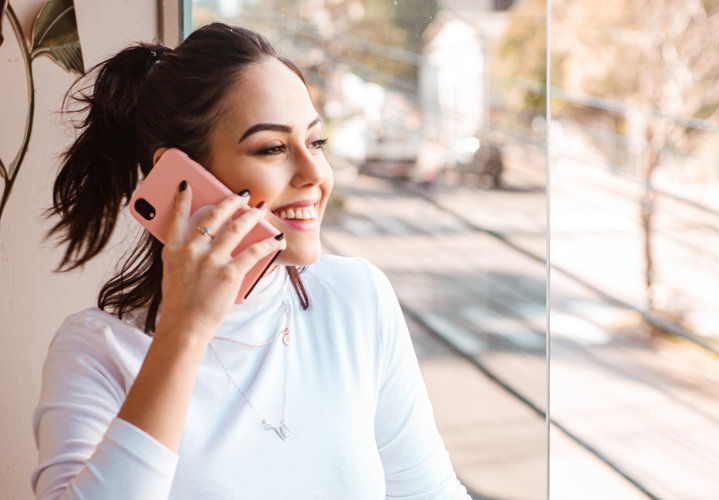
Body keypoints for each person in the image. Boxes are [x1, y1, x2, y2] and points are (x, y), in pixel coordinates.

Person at [32, 22, 471, 500]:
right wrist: (185, 330)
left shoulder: (357, 298)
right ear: (181, 176)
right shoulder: (97, 351)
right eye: (273, 148)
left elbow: (428, 492)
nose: (314, 174)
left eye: (316, 142)